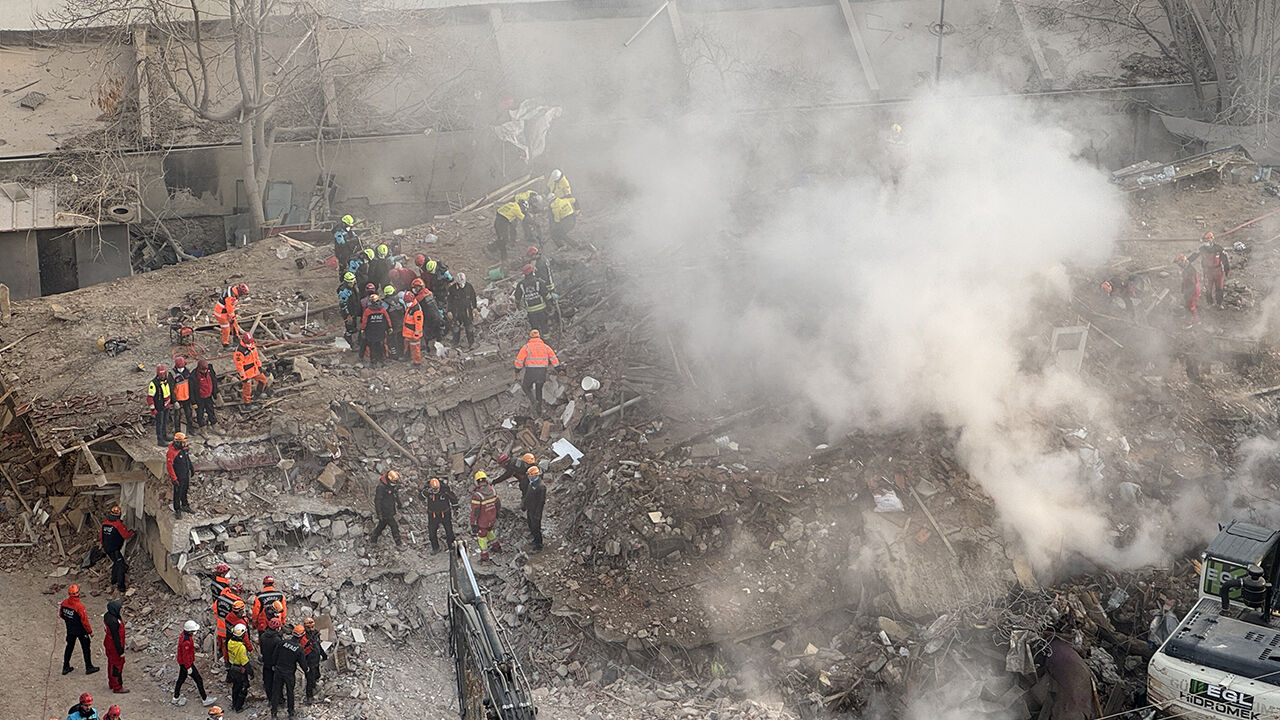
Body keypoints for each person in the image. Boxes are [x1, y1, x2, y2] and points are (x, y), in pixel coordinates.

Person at [514, 330, 561, 416]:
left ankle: (533, 401)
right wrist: (558, 369)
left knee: (525, 387)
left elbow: (519, 360)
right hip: (542, 372)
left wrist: (517, 370)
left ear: (530, 337)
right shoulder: (546, 347)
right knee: (539, 389)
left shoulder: (526, 347)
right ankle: (539, 409)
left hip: (530, 372)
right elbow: (554, 358)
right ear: (539, 337)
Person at [173, 620, 217, 707]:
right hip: (186, 664)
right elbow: (186, 656)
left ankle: (175, 697)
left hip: (183, 663)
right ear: (190, 631)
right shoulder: (186, 642)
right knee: (198, 680)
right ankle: (204, 699)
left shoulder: (184, 635)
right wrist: (188, 667)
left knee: (181, 679)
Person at [60, 585, 99, 676]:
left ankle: (65, 666)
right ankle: (89, 667)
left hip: (70, 629)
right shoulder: (80, 606)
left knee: (69, 647)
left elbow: (61, 614)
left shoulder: (64, 603)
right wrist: (90, 631)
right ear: (78, 593)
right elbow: (84, 621)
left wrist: (69, 621)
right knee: (85, 648)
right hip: (81, 630)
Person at [271, 625, 306, 719]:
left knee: (276, 691)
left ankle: (274, 713)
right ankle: (291, 712)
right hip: (289, 673)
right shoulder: (299, 649)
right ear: (302, 636)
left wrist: (274, 665)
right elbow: (302, 662)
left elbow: (275, 654)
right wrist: (306, 669)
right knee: (290, 692)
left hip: (278, 670)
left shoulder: (283, 643)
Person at [1189, 231, 1231, 307]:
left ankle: (1219, 303)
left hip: (1218, 271)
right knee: (1208, 289)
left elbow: (1225, 259)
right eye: (1205, 241)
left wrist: (1227, 269)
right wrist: (1187, 262)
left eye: (1207, 241)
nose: (1206, 243)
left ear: (1212, 240)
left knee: (1219, 288)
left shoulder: (1219, 249)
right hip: (1207, 271)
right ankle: (1209, 303)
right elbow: (1194, 256)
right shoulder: (1202, 249)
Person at [100, 506, 133, 593]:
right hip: (115, 549)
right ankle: (121, 586)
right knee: (121, 566)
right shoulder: (118, 525)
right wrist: (133, 531)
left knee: (116, 563)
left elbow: (101, 537)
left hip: (107, 549)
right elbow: (126, 536)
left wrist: (103, 546)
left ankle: (113, 580)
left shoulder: (104, 524)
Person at [470, 471, 501, 562]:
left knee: (482, 537)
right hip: (492, 518)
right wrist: (497, 515)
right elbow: (498, 504)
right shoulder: (493, 490)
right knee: (489, 531)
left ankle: (484, 556)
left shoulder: (477, 495)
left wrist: (473, 523)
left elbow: (475, 511)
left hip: (482, 521)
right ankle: (496, 546)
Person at [512, 265, 549, 335]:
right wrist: (550, 305)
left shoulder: (521, 284)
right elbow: (546, 295)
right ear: (532, 271)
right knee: (544, 326)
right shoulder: (539, 282)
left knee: (535, 328)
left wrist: (518, 306)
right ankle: (546, 341)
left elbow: (517, 298)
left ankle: (535, 342)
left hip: (531, 312)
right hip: (542, 310)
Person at [233, 333, 269, 404]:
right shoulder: (239, 351)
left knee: (263, 380)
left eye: (250, 343)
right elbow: (239, 366)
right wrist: (243, 377)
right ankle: (247, 403)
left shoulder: (252, 345)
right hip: (247, 372)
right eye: (248, 343)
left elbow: (256, 357)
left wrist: (259, 366)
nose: (250, 344)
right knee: (247, 389)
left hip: (255, 369)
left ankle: (258, 394)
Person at [370, 470, 403, 547]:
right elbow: (377, 501)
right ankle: (399, 544)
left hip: (390, 509)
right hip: (385, 511)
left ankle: (373, 539)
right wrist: (379, 513)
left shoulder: (391, 486)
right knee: (394, 526)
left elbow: (395, 495)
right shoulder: (381, 487)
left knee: (382, 525)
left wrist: (399, 504)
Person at [425, 477, 457, 553]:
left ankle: (451, 545)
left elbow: (453, 498)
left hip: (445, 513)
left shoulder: (444, 490)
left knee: (449, 530)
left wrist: (455, 507)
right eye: (434, 489)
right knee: (432, 532)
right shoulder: (427, 491)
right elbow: (420, 497)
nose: (435, 491)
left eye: (436, 489)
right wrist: (425, 493)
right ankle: (435, 548)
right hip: (433, 514)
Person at [166, 432, 195, 520]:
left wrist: (191, 468)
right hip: (178, 477)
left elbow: (187, 459)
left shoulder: (184, 449)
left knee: (184, 490)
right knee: (177, 493)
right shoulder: (172, 452)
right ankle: (177, 510)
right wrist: (174, 479)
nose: (184, 443)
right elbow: (169, 467)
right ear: (178, 442)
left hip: (185, 475)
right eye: (183, 442)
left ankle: (185, 505)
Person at [226, 624, 253, 713]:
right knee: (244, 687)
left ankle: (234, 704)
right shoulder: (241, 647)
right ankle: (238, 707)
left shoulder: (230, 642)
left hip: (232, 668)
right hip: (240, 670)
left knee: (235, 687)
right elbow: (245, 662)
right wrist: (251, 673)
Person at [102, 599, 127, 694]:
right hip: (114, 647)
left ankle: (111, 682)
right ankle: (117, 686)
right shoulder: (114, 621)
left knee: (111, 664)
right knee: (117, 666)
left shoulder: (107, 616)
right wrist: (120, 651)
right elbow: (116, 638)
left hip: (108, 643)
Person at [213, 284, 248, 349]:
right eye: (243, 294)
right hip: (221, 313)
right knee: (226, 328)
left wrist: (232, 318)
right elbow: (229, 309)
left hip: (225, 311)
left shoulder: (232, 290)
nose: (242, 295)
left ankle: (236, 338)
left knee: (234, 324)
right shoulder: (230, 297)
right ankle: (225, 344)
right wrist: (231, 318)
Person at [361, 293, 392, 367]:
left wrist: (362, 329)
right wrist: (389, 327)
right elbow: (387, 319)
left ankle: (373, 361)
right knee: (381, 345)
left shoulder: (368, 311)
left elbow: (364, 321)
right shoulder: (382, 309)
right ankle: (382, 359)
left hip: (371, 332)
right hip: (380, 331)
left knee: (372, 346)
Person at [448, 273, 478, 349]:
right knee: (456, 327)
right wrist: (449, 311)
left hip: (467, 310)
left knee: (469, 326)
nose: (461, 285)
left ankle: (471, 342)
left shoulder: (469, 287)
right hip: (456, 311)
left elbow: (473, 297)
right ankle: (455, 343)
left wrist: (474, 307)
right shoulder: (452, 289)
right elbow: (449, 301)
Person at [301, 617, 327, 704]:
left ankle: (314, 686)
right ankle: (309, 696)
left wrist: (323, 654)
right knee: (309, 679)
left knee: (317, 675)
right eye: (308, 628)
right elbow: (302, 652)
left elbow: (318, 646)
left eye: (312, 627)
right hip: (309, 662)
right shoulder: (303, 638)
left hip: (316, 660)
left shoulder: (315, 635)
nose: (311, 629)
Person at [147, 364, 174, 446]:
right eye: (161, 375)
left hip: (166, 405)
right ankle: (160, 439)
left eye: (163, 375)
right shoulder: (153, 384)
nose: (162, 377)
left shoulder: (167, 380)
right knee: (160, 423)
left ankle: (164, 435)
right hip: (159, 407)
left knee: (165, 422)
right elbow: (150, 398)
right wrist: (153, 409)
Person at [493, 198, 525, 263]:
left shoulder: (511, 204)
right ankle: (503, 257)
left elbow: (500, 210)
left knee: (501, 238)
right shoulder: (517, 209)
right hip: (502, 222)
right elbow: (524, 219)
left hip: (497, 220)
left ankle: (492, 248)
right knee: (504, 240)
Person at [259, 617, 283, 704]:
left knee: (267, 682)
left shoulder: (263, 636)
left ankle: (270, 699)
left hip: (266, 662)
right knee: (277, 683)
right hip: (275, 664)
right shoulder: (277, 640)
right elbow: (279, 654)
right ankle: (278, 700)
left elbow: (262, 650)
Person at [523, 466, 546, 552]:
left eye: (530, 475)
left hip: (536, 510)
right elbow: (527, 495)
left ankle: (539, 545)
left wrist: (537, 513)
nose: (529, 477)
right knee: (531, 524)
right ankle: (535, 540)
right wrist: (524, 504)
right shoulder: (531, 484)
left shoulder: (541, 486)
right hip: (530, 508)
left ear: (535, 475)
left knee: (536, 527)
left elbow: (541, 502)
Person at [171, 357, 196, 434]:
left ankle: (190, 428)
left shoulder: (187, 372)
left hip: (187, 398)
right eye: (180, 367)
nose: (181, 368)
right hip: (178, 398)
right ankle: (177, 431)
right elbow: (171, 389)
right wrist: (174, 401)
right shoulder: (172, 375)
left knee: (189, 414)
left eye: (182, 367)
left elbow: (191, 386)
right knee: (177, 416)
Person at [192, 359, 220, 429]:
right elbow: (191, 390)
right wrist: (193, 402)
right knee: (200, 413)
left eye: (205, 369)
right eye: (203, 370)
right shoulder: (194, 376)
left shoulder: (210, 371)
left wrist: (216, 392)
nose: (204, 371)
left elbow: (214, 381)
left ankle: (214, 423)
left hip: (208, 396)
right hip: (199, 398)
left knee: (210, 409)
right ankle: (202, 427)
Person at [332, 215, 361, 281]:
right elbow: (341, 243)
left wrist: (356, 239)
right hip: (341, 252)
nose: (349, 227)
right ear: (344, 223)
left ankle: (352, 277)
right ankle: (342, 279)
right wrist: (351, 241)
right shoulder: (338, 232)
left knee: (352, 263)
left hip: (349, 251)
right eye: (348, 225)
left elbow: (354, 235)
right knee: (343, 266)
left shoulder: (347, 229)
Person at [337, 272, 361, 348]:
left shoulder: (352, 287)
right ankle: (349, 339)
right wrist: (347, 315)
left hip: (353, 309)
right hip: (348, 312)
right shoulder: (344, 292)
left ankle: (352, 332)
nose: (352, 284)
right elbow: (343, 304)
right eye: (350, 283)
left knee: (353, 325)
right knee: (349, 326)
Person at [1176, 253, 1201, 327]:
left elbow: (1192, 284)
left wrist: (1189, 293)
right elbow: (1184, 281)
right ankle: (1194, 320)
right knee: (1188, 305)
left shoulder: (1190, 270)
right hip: (1189, 290)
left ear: (1183, 261)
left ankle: (1191, 322)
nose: (1178, 265)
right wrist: (1183, 289)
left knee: (1191, 306)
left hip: (1193, 291)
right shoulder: (1186, 268)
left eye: (1179, 263)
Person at [383, 285, 405, 361]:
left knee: (391, 340)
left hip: (391, 325)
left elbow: (383, 314)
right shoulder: (400, 300)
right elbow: (405, 309)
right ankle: (402, 353)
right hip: (401, 323)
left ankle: (394, 354)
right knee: (401, 339)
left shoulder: (385, 303)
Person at [402, 295, 424, 366]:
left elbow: (419, 323)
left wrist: (416, 334)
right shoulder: (411, 306)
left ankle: (417, 363)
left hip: (413, 333)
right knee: (407, 345)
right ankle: (407, 357)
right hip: (408, 332)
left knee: (415, 348)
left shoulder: (416, 309)